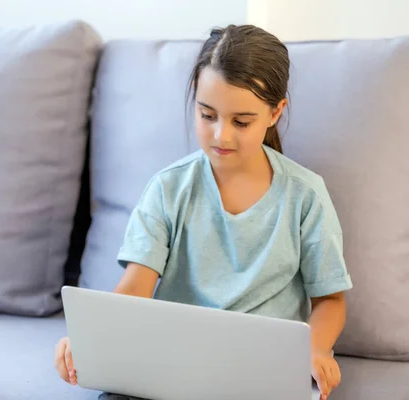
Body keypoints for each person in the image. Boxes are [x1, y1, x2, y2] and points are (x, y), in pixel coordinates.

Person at [54, 24, 353, 400]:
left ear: (275, 113)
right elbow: (134, 288)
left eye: (241, 122)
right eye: (207, 114)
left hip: (261, 374)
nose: (220, 135)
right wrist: (92, 339)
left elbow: (331, 300)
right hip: (171, 367)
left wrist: (317, 349)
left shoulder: (305, 195)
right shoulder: (168, 188)